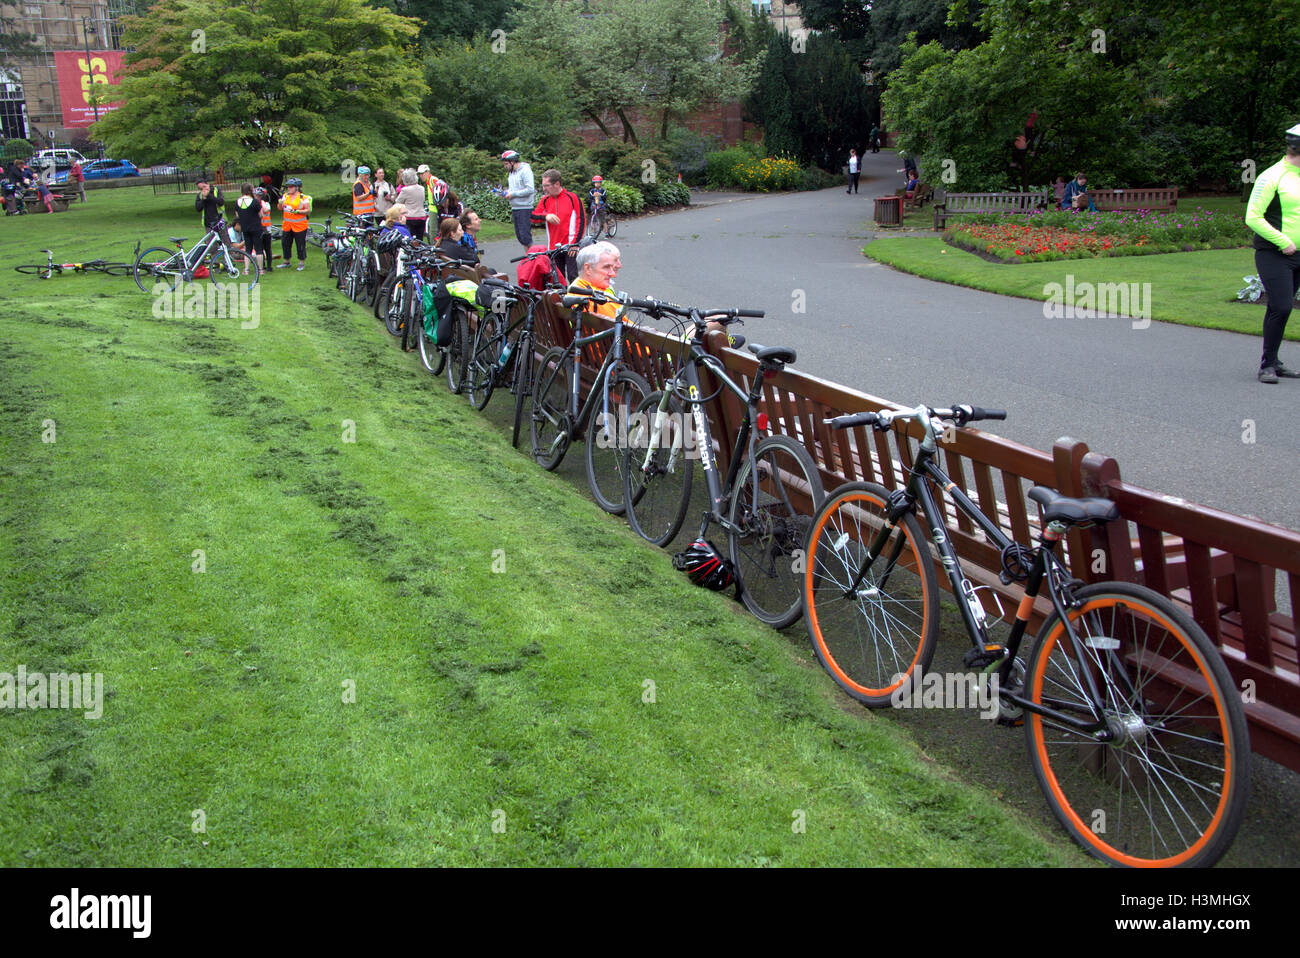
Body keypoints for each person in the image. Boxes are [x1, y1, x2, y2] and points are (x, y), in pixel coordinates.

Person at [1245, 123, 1300, 384]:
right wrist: (1282, 240)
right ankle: (1266, 366)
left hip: (1299, 254)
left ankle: (1274, 361)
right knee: (1281, 305)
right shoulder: (1271, 176)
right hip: (1274, 253)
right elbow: (1252, 217)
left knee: (1281, 308)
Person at [531, 168, 586, 281]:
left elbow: (581, 221)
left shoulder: (572, 197)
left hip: (571, 246)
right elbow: (532, 217)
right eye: (543, 185)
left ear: (556, 184)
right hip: (554, 247)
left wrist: (575, 244)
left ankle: (576, 298)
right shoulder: (545, 200)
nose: (544, 189)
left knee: (573, 277)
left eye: (546, 185)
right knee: (557, 280)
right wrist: (545, 216)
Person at [500, 149, 535, 248]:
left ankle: (535, 259)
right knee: (520, 237)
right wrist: (507, 193)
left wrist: (513, 194)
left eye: (506, 163)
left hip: (524, 207)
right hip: (515, 207)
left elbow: (530, 189)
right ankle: (529, 259)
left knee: (526, 237)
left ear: (513, 161)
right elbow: (513, 189)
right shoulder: (511, 173)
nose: (505, 166)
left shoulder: (525, 171)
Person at [277, 176, 312, 270]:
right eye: (288, 186)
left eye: (291, 186)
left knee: (300, 244)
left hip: (300, 226)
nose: (289, 188)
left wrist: (297, 211)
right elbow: (280, 208)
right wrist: (280, 203)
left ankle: (301, 263)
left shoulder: (303, 198)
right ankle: (286, 261)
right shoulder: (285, 196)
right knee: (285, 243)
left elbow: (308, 210)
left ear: (297, 187)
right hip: (287, 225)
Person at [235, 183, 266, 273]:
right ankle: (260, 270)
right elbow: (261, 215)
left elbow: (237, 215)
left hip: (245, 228)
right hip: (256, 227)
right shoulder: (255, 201)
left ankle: (246, 269)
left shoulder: (237, 202)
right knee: (258, 249)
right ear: (250, 190)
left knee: (247, 249)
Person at [395, 169, 428, 241]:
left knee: (410, 239)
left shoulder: (405, 190)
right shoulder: (422, 188)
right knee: (419, 239)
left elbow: (398, 202)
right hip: (421, 216)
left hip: (410, 217)